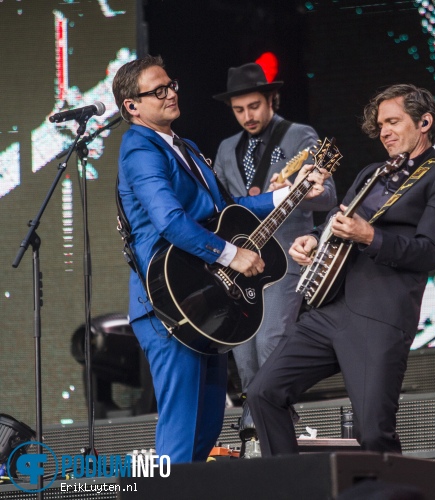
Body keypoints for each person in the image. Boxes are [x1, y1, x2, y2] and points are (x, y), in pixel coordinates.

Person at [111, 55, 328, 464]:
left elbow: (228, 210)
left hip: (202, 300)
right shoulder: (139, 148)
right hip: (168, 305)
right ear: (131, 107)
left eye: (171, 84)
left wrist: (290, 192)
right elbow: (170, 220)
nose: (171, 92)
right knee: (181, 433)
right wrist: (232, 255)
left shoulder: (184, 146)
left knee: (205, 430)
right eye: (158, 90)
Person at [247, 83, 435, 455]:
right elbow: (336, 220)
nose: (384, 131)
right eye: (381, 124)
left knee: (373, 435)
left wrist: (370, 237)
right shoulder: (372, 173)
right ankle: (291, 489)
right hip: (328, 309)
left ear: (425, 122)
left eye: (394, 121)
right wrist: (314, 240)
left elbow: (430, 252)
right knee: (262, 392)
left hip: (379, 316)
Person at [212, 62, 337, 450]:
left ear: (271, 100)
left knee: (271, 342)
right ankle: (263, 425)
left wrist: (309, 190)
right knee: (242, 351)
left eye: (254, 106)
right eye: (239, 110)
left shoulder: (299, 136)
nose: (247, 116)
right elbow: (219, 208)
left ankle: (268, 425)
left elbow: (330, 196)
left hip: (285, 259)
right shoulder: (225, 149)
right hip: (240, 261)